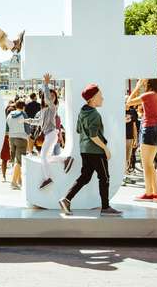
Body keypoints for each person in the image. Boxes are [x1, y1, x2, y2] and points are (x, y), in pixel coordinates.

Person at [59, 84, 122, 216]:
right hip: (96, 151)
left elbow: (78, 130)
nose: (103, 99)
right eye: (100, 96)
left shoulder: (82, 111)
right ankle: (105, 207)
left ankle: (66, 199)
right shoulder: (94, 114)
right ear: (93, 99)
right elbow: (94, 135)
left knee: (85, 177)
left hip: (84, 150)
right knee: (104, 178)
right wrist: (106, 149)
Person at [24, 74, 74, 189]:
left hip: (51, 134)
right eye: (49, 96)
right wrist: (26, 120)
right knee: (47, 157)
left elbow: (47, 98)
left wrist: (46, 84)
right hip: (49, 135)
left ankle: (48, 178)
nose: (50, 98)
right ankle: (65, 159)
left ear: (55, 99)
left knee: (43, 156)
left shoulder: (52, 107)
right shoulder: (43, 110)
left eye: (53, 96)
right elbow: (38, 122)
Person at [126, 79, 157, 202]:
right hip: (156, 130)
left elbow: (128, 102)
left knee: (147, 164)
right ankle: (155, 193)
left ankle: (149, 193)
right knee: (150, 164)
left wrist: (136, 87)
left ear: (147, 83)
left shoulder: (148, 95)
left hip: (148, 129)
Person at [7, 101, 28, 189]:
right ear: (23, 107)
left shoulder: (10, 114)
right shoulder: (23, 114)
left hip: (11, 138)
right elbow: (27, 127)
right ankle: (13, 182)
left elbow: (7, 127)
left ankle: (20, 180)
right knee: (19, 161)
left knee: (15, 159)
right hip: (21, 138)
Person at [125, 105, 138, 174]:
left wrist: (135, 139)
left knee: (128, 157)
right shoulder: (118, 110)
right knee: (121, 157)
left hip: (129, 137)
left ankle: (125, 174)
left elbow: (134, 126)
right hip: (121, 137)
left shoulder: (132, 112)